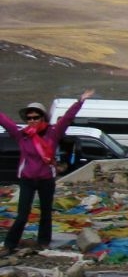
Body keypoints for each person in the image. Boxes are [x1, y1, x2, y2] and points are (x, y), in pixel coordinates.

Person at [1, 89, 94, 254]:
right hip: (27, 180)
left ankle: (43, 242)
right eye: (29, 118)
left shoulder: (53, 133)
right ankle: (9, 245)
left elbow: (67, 118)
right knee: (22, 214)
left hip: (46, 179)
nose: (32, 120)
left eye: (36, 117)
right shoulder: (22, 135)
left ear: (42, 117)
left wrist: (80, 101)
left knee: (45, 212)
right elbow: (5, 122)